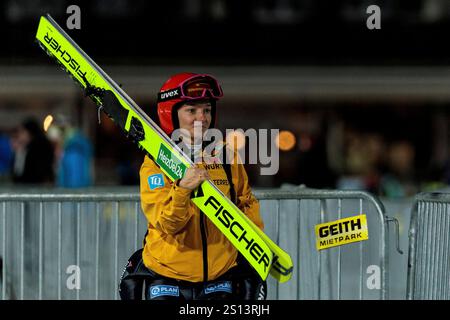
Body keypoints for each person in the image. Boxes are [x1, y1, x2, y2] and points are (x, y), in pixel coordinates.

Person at [119, 72, 267, 300]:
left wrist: (251, 247)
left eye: (207, 110)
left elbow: (245, 202)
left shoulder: (225, 155)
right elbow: (168, 224)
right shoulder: (156, 162)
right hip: (167, 274)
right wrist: (183, 189)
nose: (202, 117)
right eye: (192, 110)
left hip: (220, 274)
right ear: (172, 114)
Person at [11, 117, 54, 185]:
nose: (20, 135)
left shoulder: (39, 147)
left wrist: (20, 153)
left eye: (22, 132)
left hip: (36, 186)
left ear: (30, 132)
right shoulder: (26, 147)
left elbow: (21, 172)